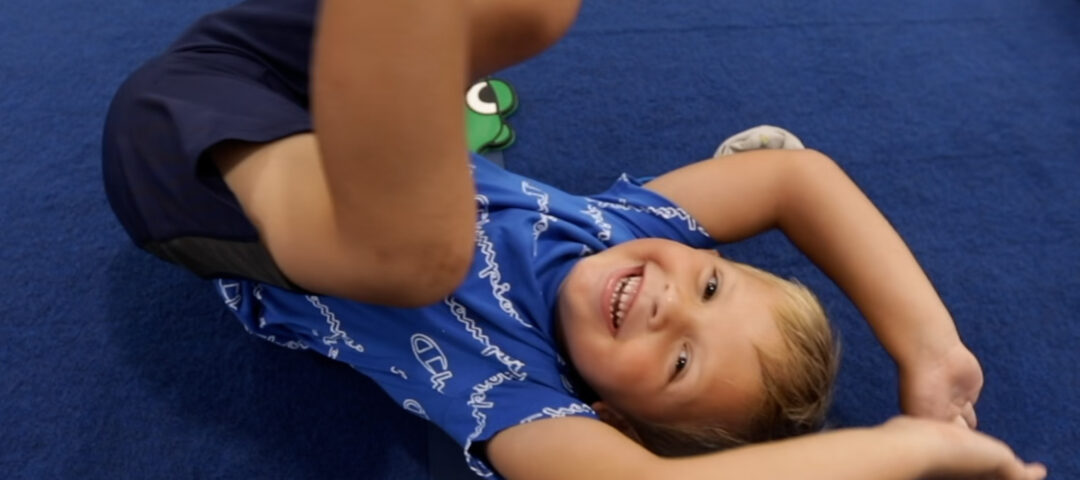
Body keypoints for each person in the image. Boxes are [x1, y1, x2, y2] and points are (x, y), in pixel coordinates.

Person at [101, 0, 1046, 479]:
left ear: (616, 424)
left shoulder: (521, 401)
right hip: (291, 69)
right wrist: (933, 353)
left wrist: (914, 449)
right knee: (539, 8)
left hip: (208, 169)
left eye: (679, 363)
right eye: (712, 289)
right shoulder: (631, 228)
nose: (671, 304)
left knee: (419, 256)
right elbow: (799, 177)